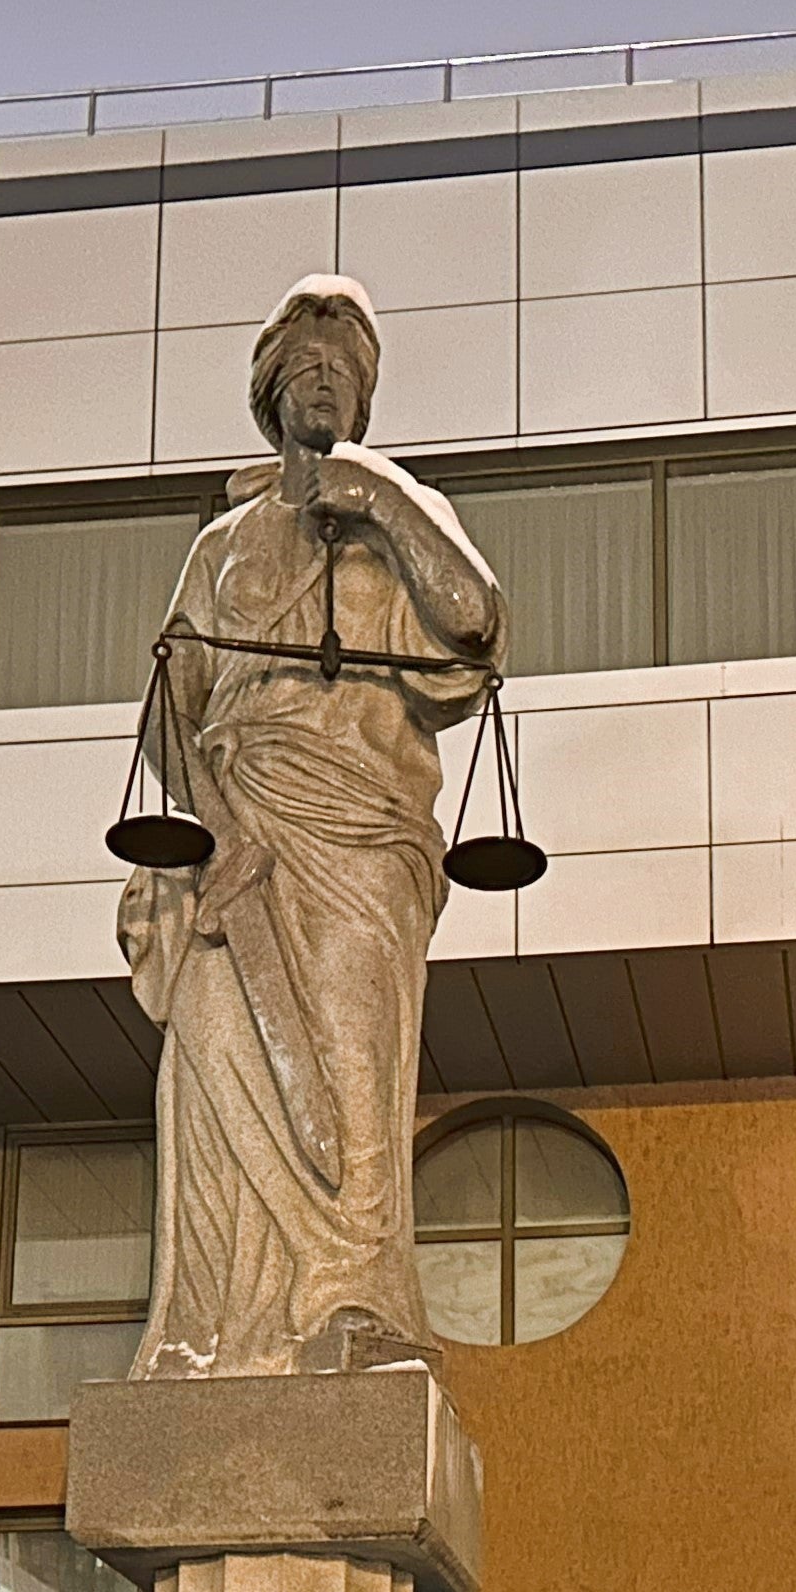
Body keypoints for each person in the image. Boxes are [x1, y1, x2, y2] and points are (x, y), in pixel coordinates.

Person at [121, 275, 507, 1379]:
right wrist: (218, 825)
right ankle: (213, 1326)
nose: (326, 379)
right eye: (308, 365)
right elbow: (174, 712)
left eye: (346, 368)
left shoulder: (406, 517)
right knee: (211, 1071)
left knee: (350, 1063)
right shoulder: (224, 547)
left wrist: (378, 505)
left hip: (357, 837)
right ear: (272, 389)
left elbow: (477, 623)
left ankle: (355, 1302)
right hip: (241, 839)